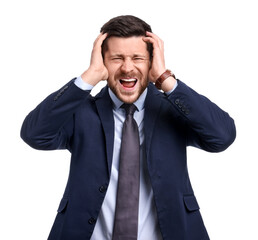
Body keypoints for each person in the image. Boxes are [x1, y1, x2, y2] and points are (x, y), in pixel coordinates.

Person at [21, 15, 236, 240]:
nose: (127, 68)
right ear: (102, 61)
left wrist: (166, 79)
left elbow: (222, 136)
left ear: (151, 61)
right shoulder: (81, 112)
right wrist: (89, 78)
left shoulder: (173, 109)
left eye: (137, 58)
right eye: (116, 58)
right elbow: (34, 134)